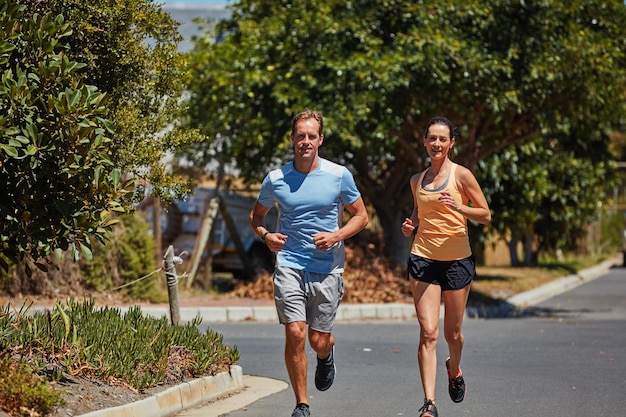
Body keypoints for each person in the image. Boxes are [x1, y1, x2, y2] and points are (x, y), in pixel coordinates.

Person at [249, 109, 369, 417]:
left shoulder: (338, 175)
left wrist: (336, 236)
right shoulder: (276, 179)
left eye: (311, 136)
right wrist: (266, 237)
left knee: (317, 341)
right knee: (295, 333)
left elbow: (361, 216)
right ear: (292, 139)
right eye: (300, 135)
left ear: (320, 139)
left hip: (328, 268)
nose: (305, 141)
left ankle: (326, 354)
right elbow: (257, 216)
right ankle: (302, 404)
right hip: (289, 263)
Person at [401, 116, 491, 417]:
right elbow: (418, 213)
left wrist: (459, 207)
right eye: (432, 138)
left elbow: (485, 214)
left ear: (451, 143)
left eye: (442, 139)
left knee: (452, 335)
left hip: (456, 260)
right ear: (424, 142)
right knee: (428, 332)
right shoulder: (417, 180)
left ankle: (454, 367)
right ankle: (429, 403)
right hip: (424, 258)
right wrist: (410, 224)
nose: (436, 143)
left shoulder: (461, 175)